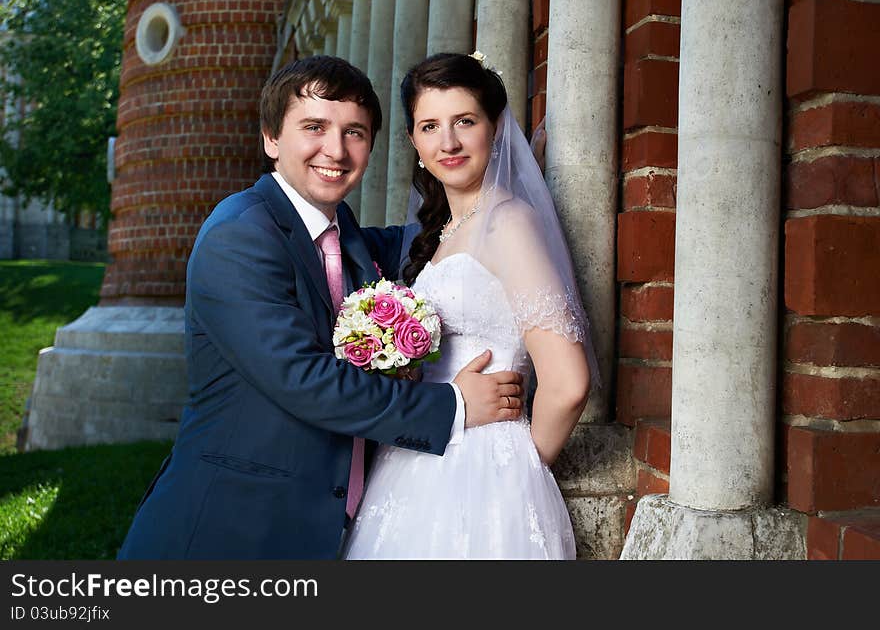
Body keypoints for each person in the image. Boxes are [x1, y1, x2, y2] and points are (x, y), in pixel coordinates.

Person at [116, 56, 525, 560]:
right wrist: (455, 406)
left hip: (324, 536)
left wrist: (512, 181)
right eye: (314, 127)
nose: (335, 149)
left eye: (354, 132)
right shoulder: (239, 235)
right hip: (223, 534)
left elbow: (451, 236)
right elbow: (305, 380)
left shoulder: (351, 240)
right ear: (271, 138)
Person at [342, 52, 600, 560]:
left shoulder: (509, 222)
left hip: (484, 469)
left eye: (465, 121)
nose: (449, 142)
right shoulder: (442, 232)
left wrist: (520, 469)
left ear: (496, 127)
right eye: (430, 126)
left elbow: (569, 383)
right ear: (414, 142)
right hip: (419, 452)